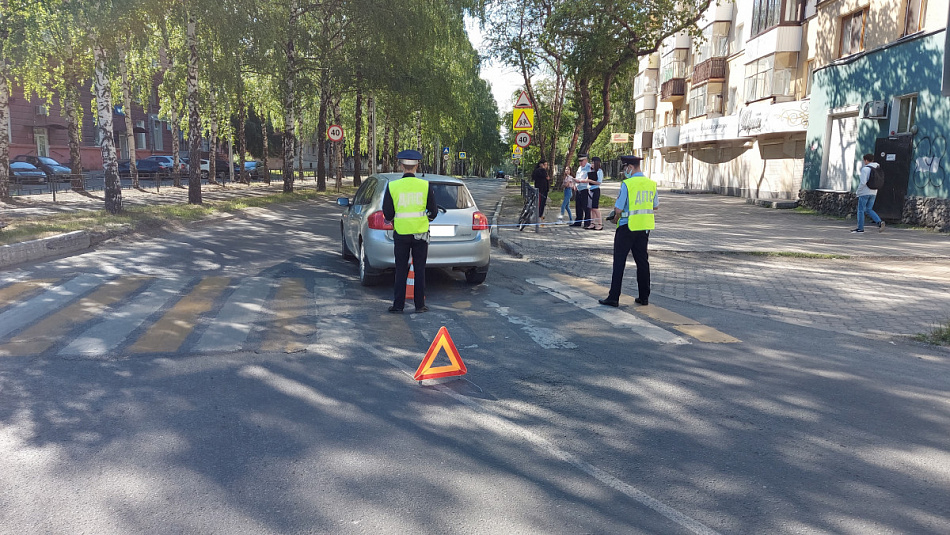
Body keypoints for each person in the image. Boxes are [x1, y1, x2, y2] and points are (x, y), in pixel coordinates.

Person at [382, 149, 438, 313]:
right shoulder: (425, 185)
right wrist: (425, 219)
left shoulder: (392, 186)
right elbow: (433, 212)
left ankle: (398, 305)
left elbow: (388, 213)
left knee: (400, 269)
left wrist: (396, 219)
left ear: (401, 166)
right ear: (416, 166)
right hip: (420, 234)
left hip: (401, 233)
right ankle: (420, 305)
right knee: (419, 269)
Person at [599, 155, 658, 307]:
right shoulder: (651, 183)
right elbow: (655, 205)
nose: (625, 171)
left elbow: (618, 208)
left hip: (626, 227)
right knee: (642, 262)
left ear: (630, 167)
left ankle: (613, 297)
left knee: (619, 261)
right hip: (643, 228)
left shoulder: (627, 184)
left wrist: (614, 218)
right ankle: (644, 297)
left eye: (625, 168)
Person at [852, 153, 885, 233]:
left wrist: (858, 192)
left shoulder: (865, 169)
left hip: (864, 192)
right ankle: (879, 222)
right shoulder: (877, 168)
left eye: (864, 160)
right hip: (874, 192)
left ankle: (860, 228)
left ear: (866, 160)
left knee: (861, 210)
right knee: (869, 209)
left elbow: (863, 182)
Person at [571, 154, 591, 227]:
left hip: (585, 189)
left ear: (586, 160)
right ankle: (578, 222)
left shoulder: (589, 167)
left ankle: (587, 223)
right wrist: (575, 185)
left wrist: (579, 181)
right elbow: (577, 177)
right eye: (579, 161)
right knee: (578, 206)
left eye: (581, 161)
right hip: (578, 189)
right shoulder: (579, 168)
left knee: (586, 207)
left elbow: (588, 179)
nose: (580, 163)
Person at [585, 156, 605, 230]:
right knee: (591, 208)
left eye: (593, 163)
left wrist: (590, 181)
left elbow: (599, 182)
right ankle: (592, 223)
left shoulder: (599, 171)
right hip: (590, 190)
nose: (591, 164)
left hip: (596, 190)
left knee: (595, 208)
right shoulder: (592, 171)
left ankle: (600, 223)